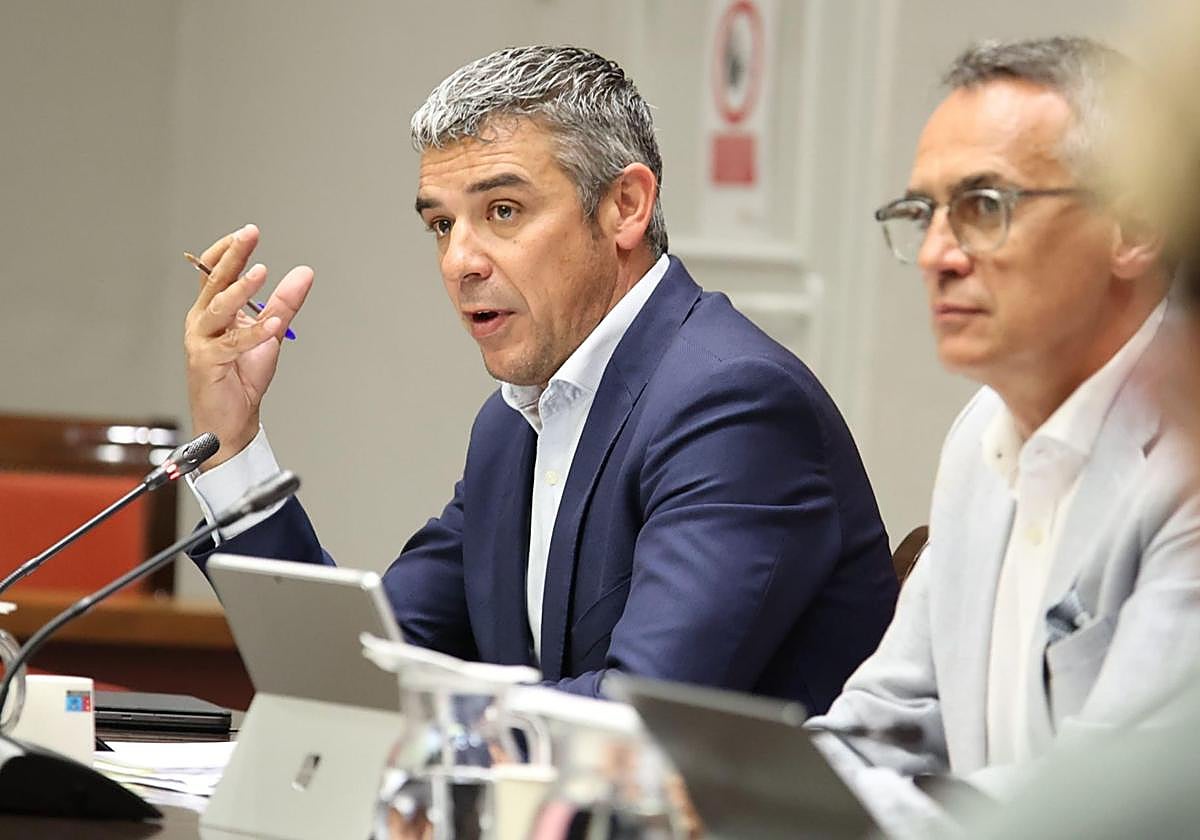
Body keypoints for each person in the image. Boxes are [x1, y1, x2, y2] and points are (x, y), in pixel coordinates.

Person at [181, 45, 897, 708]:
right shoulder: (514, 422)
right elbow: (362, 668)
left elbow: (641, 716)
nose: (460, 261)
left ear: (625, 207)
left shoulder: (733, 405)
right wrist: (234, 444)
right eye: (441, 224)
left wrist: (444, 713)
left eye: (502, 211)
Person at [809, 35, 1200, 795]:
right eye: (923, 212)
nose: (936, 253)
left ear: (1135, 228)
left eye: (984, 206)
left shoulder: (1186, 463)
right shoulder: (981, 434)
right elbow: (887, 717)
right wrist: (749, 792)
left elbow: (1103, 804)